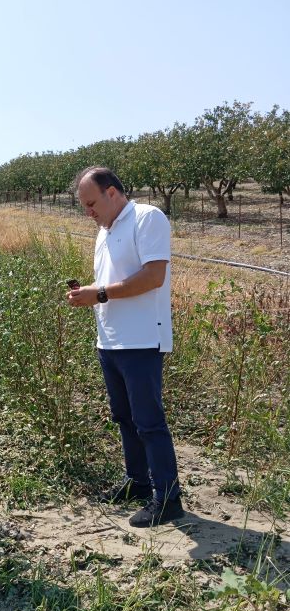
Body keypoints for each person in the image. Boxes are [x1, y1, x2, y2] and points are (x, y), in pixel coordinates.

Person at [67, 166, 183, 528]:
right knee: (124, 417)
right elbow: (113, 283)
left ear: (112, 192)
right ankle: (138, 481)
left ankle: (169, 498)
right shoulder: (105, 231)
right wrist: (89, 292)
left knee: (149, 422)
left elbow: (153, 276)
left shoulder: (147, 218)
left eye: (91, 203)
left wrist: (98, 293)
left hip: (143, 339)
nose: (89, 212)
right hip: (112, 340)